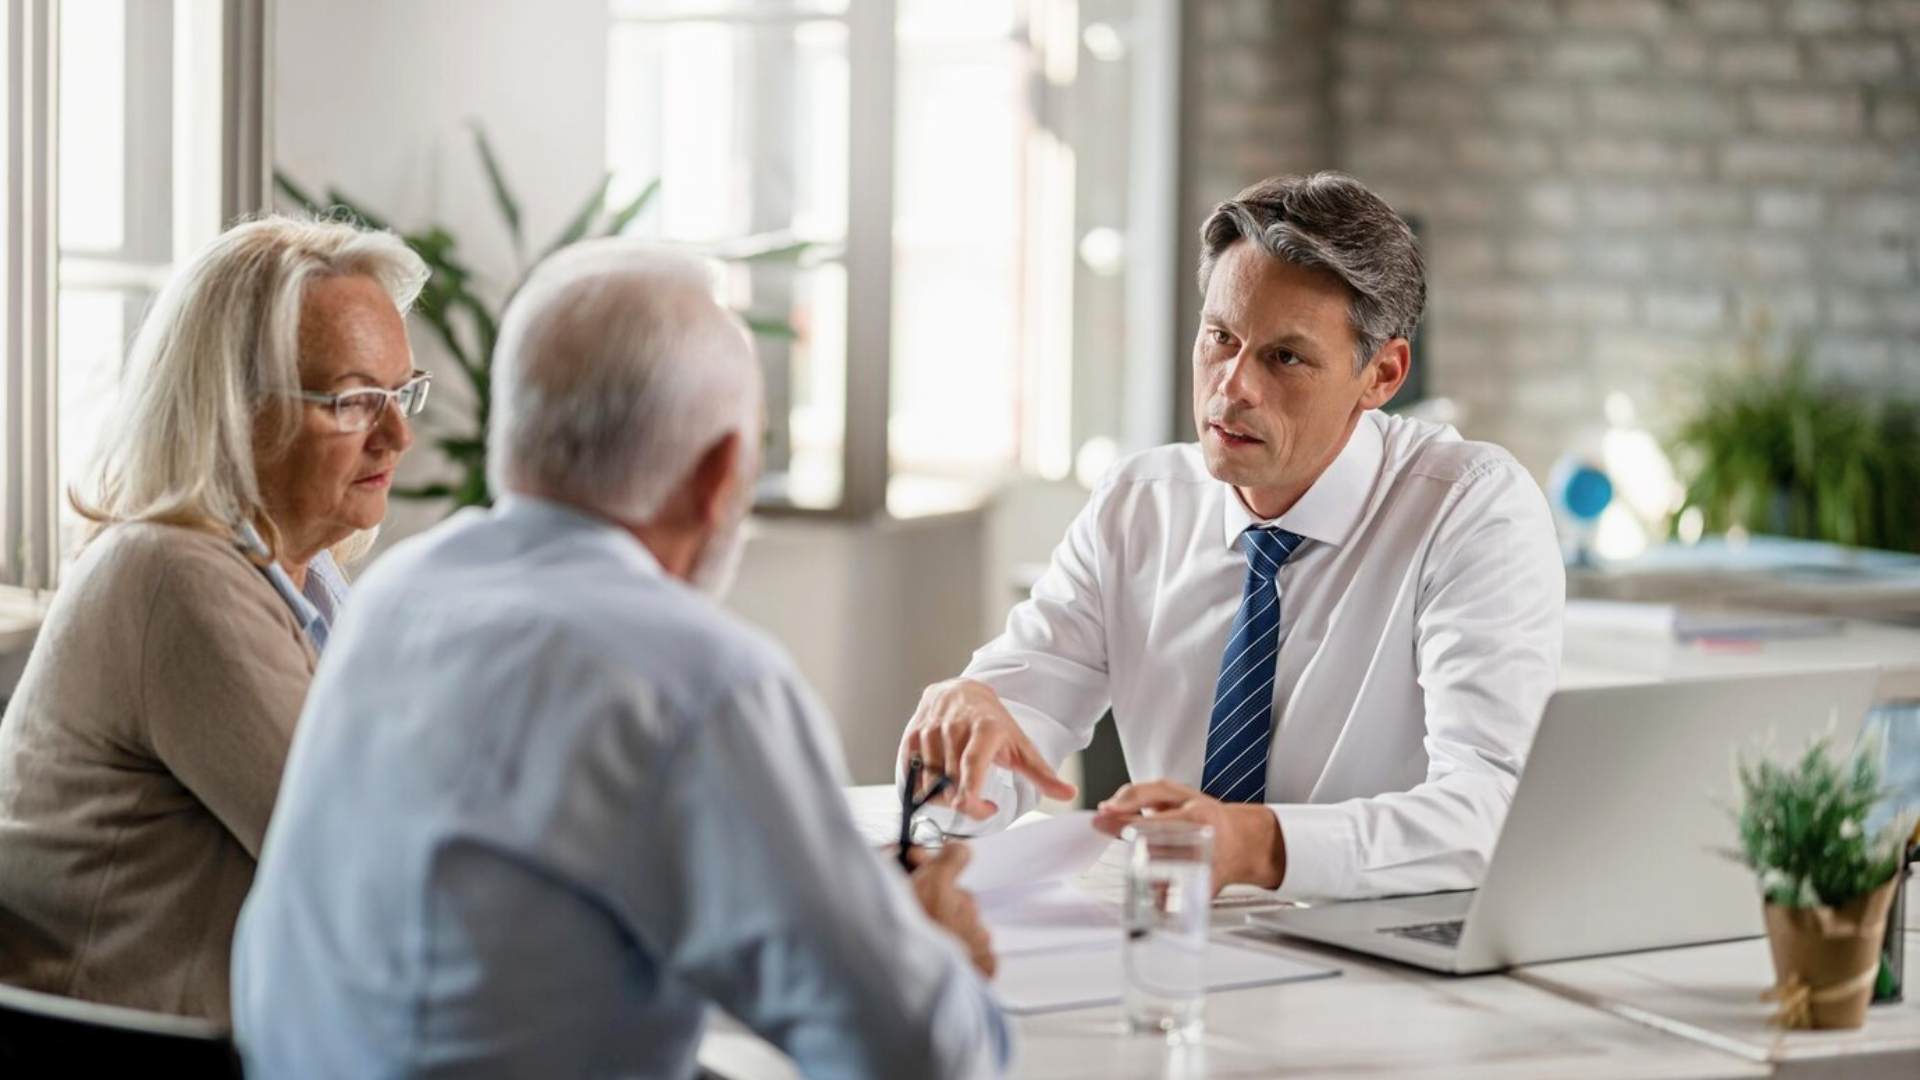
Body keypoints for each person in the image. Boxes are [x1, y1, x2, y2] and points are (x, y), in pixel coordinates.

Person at [232, 242, 1011, 1079]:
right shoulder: (697, 682)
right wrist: (930, 953)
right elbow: (919, 1058)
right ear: (719, 477)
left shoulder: (397, 596)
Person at [900, 172, 1564, 902]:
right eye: (1220, 337)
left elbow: (1495, 809)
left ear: (1382, 375)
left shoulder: (1470, 510)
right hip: (1173, 939)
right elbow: (1019, 722)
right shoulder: (1138, 504)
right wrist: (963, 752)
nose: (1232, 387)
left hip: (1380, 955)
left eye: (1285, 357)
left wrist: (1257, 844)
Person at [0, 216, 429, 1020]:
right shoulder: (174, 575)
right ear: (235, 408)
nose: (398, 435)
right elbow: (375, 870)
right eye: (355, 400)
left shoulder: (309, 581)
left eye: (403, 393)